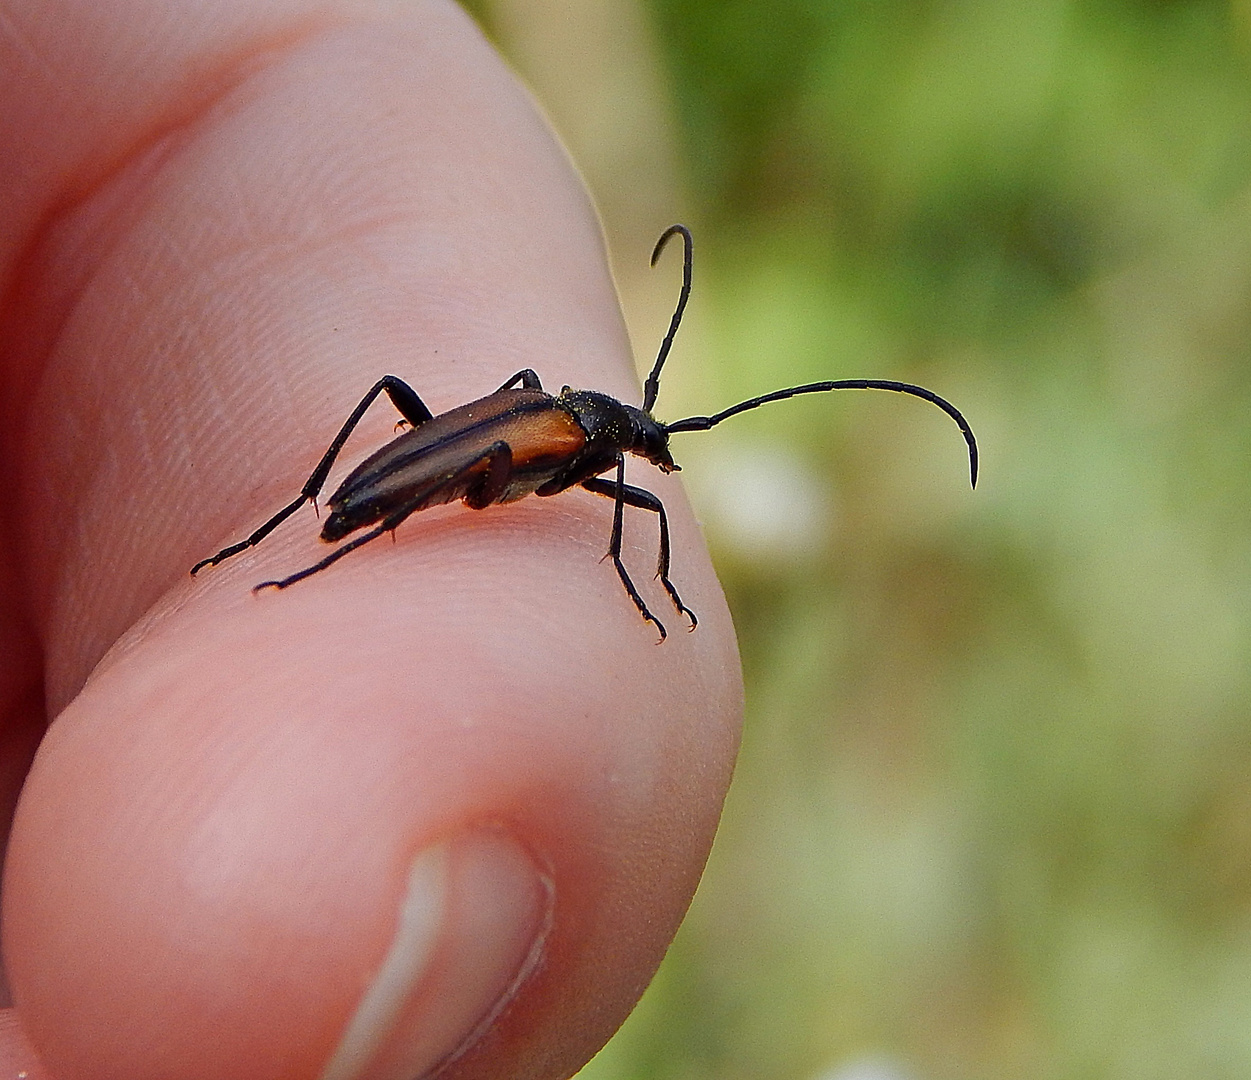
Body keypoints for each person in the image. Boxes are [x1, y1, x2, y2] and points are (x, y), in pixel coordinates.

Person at [0, 0, 744, 1076]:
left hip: (439, 465)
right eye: (652, 444)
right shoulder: (574, 434)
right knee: (481, 464)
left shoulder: (586, 428)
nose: (654, 463)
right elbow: (543, 471)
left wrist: (646, 578)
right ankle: (303, 539)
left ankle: (314, 537)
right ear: (625, 436)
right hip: (407, 481)